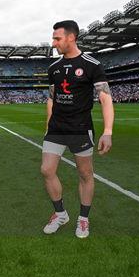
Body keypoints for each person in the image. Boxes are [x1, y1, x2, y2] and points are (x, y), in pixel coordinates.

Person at [41, 20, 114, 238]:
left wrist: (108, 131)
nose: (54, 43)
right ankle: (61, 214)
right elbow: (51, 99)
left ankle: (83, 219)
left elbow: (105, 97)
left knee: (84, 173)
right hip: (57, 128)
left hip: (80, 128)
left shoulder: (92, 64)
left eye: (57, 38)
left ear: (71, 37)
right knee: (46, 170)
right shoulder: (53, 68)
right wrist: (47, 127)